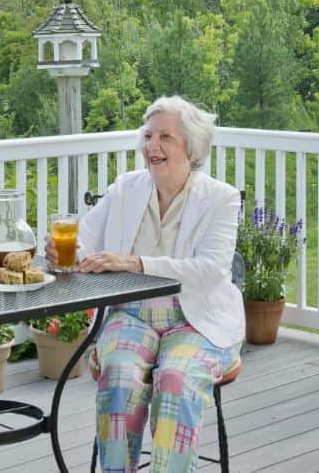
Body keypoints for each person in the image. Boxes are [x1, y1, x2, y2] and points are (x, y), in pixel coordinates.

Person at [45, 95, 242, 473]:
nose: (152, 146)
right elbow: (84, 239)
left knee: (175, 381)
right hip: (130, 314)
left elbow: (211, 270)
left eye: (165, 137)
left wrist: (135, 262)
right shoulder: (125, 189)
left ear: (192, 147)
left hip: (195, 317)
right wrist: (62, 253)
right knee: (119, 376)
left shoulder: (221, 199)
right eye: (148, 136)